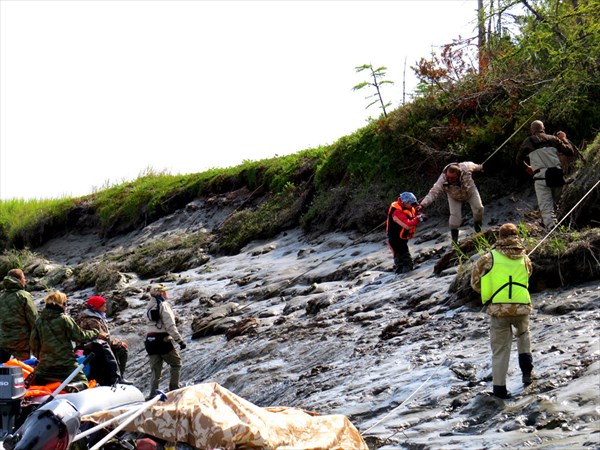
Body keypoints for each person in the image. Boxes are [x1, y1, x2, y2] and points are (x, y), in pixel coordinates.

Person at [470, 223, 534, 399]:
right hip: (522, 306)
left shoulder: (488, 258)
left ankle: (499, 389)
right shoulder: (525, 258)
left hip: (498, 309)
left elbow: (475, 283)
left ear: (499, 237)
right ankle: (527, 376)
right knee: (524, 337)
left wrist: (489, 291)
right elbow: (529, 275)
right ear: (516, 236)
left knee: (500, 350)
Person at [29, 291, 108, 388]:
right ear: (62, 304)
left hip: (45, 364)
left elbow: (33, 344)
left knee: (38, 380)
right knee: (83, 381)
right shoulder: (64, 319)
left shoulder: (39, 321)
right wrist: (96, 333)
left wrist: (41, 358)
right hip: (66, 363)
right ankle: (73, 386)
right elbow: (80, 336)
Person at [516, 120, 576, 229]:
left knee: (547, 208)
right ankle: (555, 226)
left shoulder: (528, 142)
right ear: (543, 129)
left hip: (542, 178)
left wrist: (527, 168)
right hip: (558, 175)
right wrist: (564, 139)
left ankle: (553, 232)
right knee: (554, 205)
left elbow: (518, 160)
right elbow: (570, 152)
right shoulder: (553, 139)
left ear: (532, 131)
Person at [419, 162, 484, 244]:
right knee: (455, 217)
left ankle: (478, 230)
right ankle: (454, 241)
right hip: (454, 197)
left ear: (458, 174)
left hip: (470, 192)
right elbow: (433, 193)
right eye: (448, 177)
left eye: (452, 178)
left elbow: (476, 167)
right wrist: (422, 204)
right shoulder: (443, 179)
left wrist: (480, 167)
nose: (449, 179)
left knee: (479, 208)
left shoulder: (466, 167)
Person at [77, 295, 129, 385]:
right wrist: (119, 343)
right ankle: (117, 378)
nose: (105, 308)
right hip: (94, 349)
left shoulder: (95, 318)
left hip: (95, 347)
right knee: (121, 350)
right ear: (97, 307)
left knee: (117, 348)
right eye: (103, 306)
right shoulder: (93, 321)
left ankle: (119, 377)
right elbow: (103, 337)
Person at [145, 284, 186, 398]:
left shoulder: (148, 305)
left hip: (150, 341)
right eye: (164, 292)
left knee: (155, 370)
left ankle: (152, 395)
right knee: (176, 364)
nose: (166, 293)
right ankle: (174, 389)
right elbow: (170, 326)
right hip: (163, 340)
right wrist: (180, 341)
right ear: (160, 293)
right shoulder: (164, 305)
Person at [0, 269, 38, 363]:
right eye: (24, 278)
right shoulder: (24, 296)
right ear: (19, 280)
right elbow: (34, 319)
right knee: (23, 368)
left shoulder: (2, 297)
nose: (25, 280)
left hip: (4, 341)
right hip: (21, 342)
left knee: (4, 370)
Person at [386, 192, 423, 274]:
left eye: (414, 203)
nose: (413, 205)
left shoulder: (407, 207)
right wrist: (418, 219)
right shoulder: (396, 212)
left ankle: (401, 275)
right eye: (412, 204)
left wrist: (420, 215)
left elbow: (412, 215)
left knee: (402, 260)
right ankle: (404, 278)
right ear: (405, 203)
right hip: (395, 240)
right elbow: (407, 225)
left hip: (401, 239)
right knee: (405, 260)